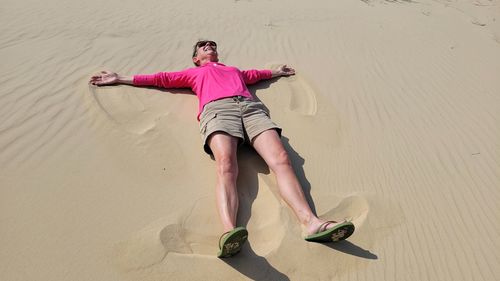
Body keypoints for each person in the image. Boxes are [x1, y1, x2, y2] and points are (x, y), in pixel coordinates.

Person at [89, 40, 355, 258]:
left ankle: (311, 223)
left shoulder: (235, 71)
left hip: (252, 109)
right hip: (218, 110)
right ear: (195, 58)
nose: (209, 46)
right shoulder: (194, 73)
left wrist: (278, 72)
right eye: (203, 46)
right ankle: (230, 232)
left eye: (212, 44)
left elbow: (258, 75)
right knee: (227, 165)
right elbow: (161, 79)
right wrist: (120, 78)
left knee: (281, 159)